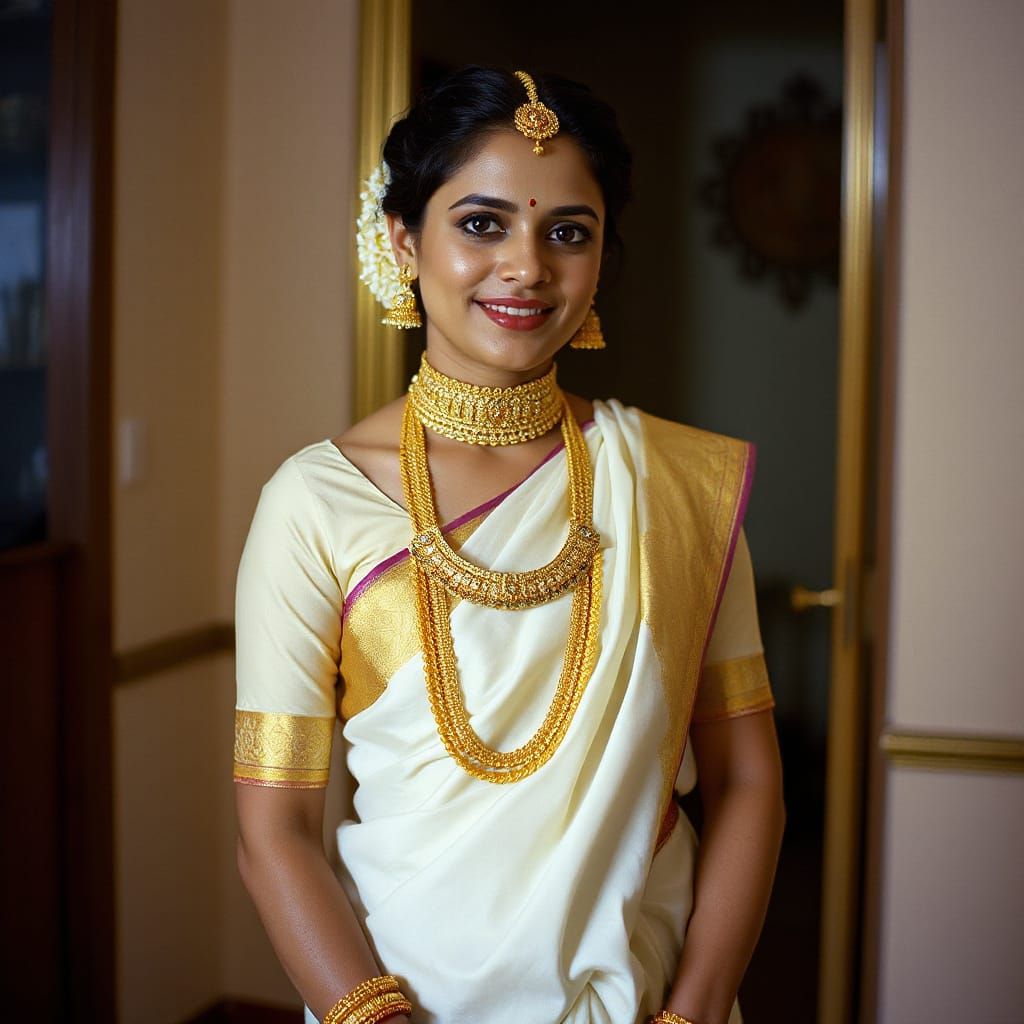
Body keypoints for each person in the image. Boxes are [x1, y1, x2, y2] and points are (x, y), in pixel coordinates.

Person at [232, 66, 785, 1024]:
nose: (527, 265)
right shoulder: (314, 504)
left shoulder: (674, 490)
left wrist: (691, 1013)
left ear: (602, 258)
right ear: (404, 241)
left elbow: (746, 782)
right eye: (481, 223)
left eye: (568, 232)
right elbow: (272, 830)